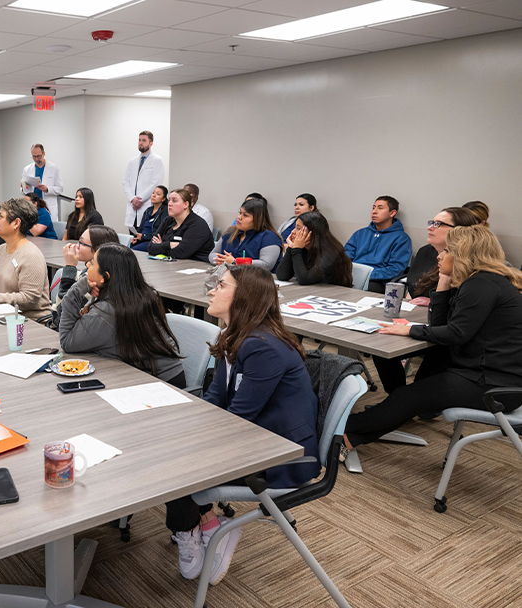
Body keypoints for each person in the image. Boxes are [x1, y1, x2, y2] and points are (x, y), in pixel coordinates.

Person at [168, 264, 320, 583]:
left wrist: (185, 432)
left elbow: (237, 418)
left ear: (245, 297)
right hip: (255, 436)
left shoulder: (263, 346)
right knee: (168, 444)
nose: (211, 290)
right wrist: (184, 418)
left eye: (220, 285)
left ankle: (194, 527)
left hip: (281, 455)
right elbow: (216, 398)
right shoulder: (235, 335)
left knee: (172, 464)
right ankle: (208, 524)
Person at [343, 225, 522, 456]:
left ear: (463, 254)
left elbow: (456, 333)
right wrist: (445, 279)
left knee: (406, 397)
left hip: (495, 385)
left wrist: (410, 331)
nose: (439, 255)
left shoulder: (481, 284)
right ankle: (350, 436)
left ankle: (341, 430)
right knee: (408, 397)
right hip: (485, 372)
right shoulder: (479, 281)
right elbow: (440, 327)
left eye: (447, 250)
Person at [373, 206, 477, 394]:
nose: (430, 227)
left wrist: (433, 301)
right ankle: (398, 398)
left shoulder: (467, 268)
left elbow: (454, 323)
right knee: (380, 344)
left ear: (460, 231)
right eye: (432, 222)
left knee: (435, 355)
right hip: (427, 321)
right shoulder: (425, 252)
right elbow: (414, 287)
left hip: (452, 340)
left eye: (438, 224)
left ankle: (409, 402)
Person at [59, 243, 186, 387]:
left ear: (105, 277)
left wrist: (77, 289)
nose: (87, 265)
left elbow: (67, 341)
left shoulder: (106, 313)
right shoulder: (141, 294)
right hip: (166, 375)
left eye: (92, 263)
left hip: (160, 383)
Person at [51, 225, 120, 330]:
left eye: (81, 243)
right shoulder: (86, 273)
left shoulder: (95, 281)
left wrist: (70, 268)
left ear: (98, 250)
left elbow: (61, 317)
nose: (76, 246)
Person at [344, 196, 413, 293]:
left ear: (392, 213)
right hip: (352, 276)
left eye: (380, 208)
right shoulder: (360, 233)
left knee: (368, 288)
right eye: (373, 208)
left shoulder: (402, 239)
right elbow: (345, 258)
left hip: (378, 281)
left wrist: (366, 275)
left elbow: (395, 269)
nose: (374, 211)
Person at [275, 210, 352, 286]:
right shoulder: (303, 248)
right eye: (295, 227)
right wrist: (291, 248)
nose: (293, 232)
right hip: (312, 291)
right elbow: (282, 276)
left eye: (298, 228)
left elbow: (304, 279)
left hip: (333, 294)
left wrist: (296, 249)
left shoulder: (331, 253)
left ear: (312, 232)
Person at [210, 198, 281, 270]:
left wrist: (235, 262)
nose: (239, 217)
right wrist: (222, 261)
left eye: (245, 215)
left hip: (259, 279)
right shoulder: (231, 232)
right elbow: (213, 254)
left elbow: (266, 265)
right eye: (240, 213)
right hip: (230, 275)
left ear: (258, 218)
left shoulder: (269, 237)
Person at [147, 189, 214, 261]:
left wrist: (161, 245)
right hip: (172, 263)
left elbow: (181, 253)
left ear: (186, 204)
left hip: (195, 265)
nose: (169, 204)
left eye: (174, 200)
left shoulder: (198, 224)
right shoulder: (168, 220)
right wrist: (169, 245)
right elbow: (151, 247)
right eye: (169, 200)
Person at [123, 130, 166, 232]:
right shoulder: (132, 161)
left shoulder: (157, 161)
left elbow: (156, 184)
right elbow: (126, 182)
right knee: (132, 237)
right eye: (139, 140)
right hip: (133, 205)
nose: (140, 143)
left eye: (144, 140)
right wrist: (133, 199)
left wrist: (140, 199)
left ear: (151, 143)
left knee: (143, 237)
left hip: (146, 205)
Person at [20, 144, 63, 211]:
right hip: (32, 206)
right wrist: (23, 187)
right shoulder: (27, 169)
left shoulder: (54, 168)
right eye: (34, 156)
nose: (36, 159)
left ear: (43, 154)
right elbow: (24, 192)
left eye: (38, 156)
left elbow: (60, 189)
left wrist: (47, 189)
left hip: (48, 205)